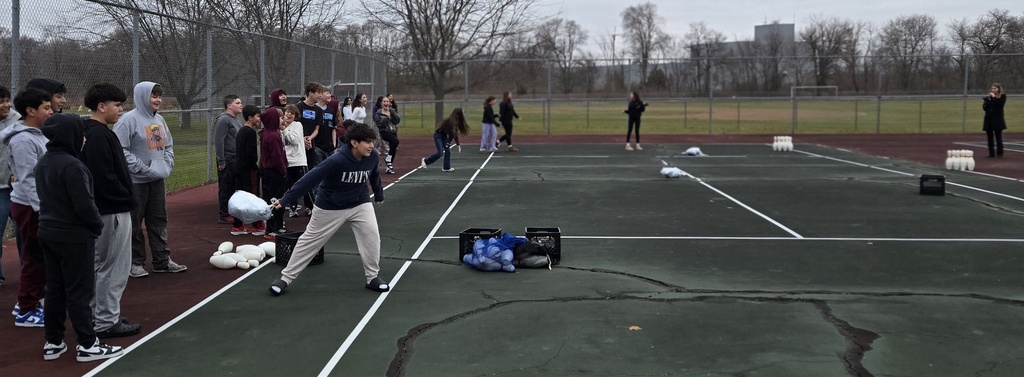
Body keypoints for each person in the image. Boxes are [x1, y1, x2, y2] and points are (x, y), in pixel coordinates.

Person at [35, 113, 125, 362]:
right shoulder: (73, 166)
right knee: (80, 291)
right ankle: (87, 343)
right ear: (70, 136)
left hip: (48, 232)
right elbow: (84, 204)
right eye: (80, 133)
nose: (84, 139)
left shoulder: (44, 162)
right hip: (74, 236)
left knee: (55, 289)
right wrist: (95, 225)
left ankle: (53, 341)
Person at [268, 122, 389, 296]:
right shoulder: (337, 160)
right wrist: (287, 198)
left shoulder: (373, 156)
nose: (372, 145)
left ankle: (372, 277)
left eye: (372, 141)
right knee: (310, 241)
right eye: (367, 142)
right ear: (354, 143)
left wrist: (379, 194)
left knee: (372, 236)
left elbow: (374, 176)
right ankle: (285, 278)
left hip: (359, 203)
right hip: (330, 205)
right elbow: (310, 179)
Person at [80, 83, 141, 338]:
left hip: (102, 210)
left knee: (100, 265)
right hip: (111, 211)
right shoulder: (99, 135)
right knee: (113, 267)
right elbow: (103, 177)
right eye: (117, 105)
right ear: (101, 106)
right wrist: (126, 196)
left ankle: (99, 315)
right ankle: (105, 321)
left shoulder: (91, 132)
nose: (121, 109)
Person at [114, 81, 185, 277]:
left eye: (159, 96)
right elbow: (121, 150)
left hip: (157, 181)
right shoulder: (127, 120)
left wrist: (166, 164)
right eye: (153, 96)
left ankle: (162, 260)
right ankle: (135, 263)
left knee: (159, 221)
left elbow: (168, 145)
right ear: (143, 97)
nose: (158, 100)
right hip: (136, 183)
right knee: (135, 223)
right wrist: (143, 169)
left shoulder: (160, 120)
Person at [2, 87, 53, 327]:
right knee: (33, 257)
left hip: (39, 205)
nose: (51, 111)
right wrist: (42, 211)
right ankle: (26, 309)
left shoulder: (37, 133)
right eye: (46, 108)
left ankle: (30, 300)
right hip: (30, 207)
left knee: (40, 257)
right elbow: (29, 178)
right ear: (30, 111)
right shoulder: (23, 140)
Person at [0, 86, 24, 289]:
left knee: (24, 231)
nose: (6, 105)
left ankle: (29, 272)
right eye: (1, 101)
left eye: (7, 100)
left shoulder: (17, 120)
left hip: (16, 186)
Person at [231, 104, 267, 236]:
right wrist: (255, 168)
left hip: (239, 168)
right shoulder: (251, 132)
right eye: (257, 116)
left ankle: (238, 225)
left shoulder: (241, 130)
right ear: (250, 117)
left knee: (240, 196)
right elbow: (251, 153)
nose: (259, 119)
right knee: (252, 196)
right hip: (247, 169)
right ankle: (257, 224)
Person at [259, 108, 289, 239]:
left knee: (276, 198)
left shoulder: (272, 133)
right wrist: (283, 170)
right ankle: (272, 228)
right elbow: (276, 157)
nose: (282, 120)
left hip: (271, 171)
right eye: (280, 117)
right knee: (274, 200)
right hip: (274, 172)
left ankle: (278, 226)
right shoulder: (272, 135)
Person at [214, 95, 242, 224]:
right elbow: (219, 141)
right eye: (237, 103)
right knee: (226, 186)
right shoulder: (224, 120)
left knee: (234, 186)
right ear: (229, 105)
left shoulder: (236, 120)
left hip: (236, 157)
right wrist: (221, 160)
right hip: (228, 157)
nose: (240, 105)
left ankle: (232, 211)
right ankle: (224, 214)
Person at [282, 105, 310, 218]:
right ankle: (292, 209)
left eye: (292, 114)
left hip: (298, 162)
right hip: (287, 162)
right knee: (290, 187)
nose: (289, 115)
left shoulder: (297, 125)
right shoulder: (280, 127)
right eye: (287, 112)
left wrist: (284, 130)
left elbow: (293, 140)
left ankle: (313, 208)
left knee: (305, 186)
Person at [373, 96, 401, 174]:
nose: (385, 103)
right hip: (384, 131)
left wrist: (392, 113)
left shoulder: (392, 111)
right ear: (381, 103)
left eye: (387, 101)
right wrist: (387, 118)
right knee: (396, 141)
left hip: (393, 131)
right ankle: (388, 159)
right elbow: (379, 124)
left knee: (393, 147)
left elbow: (397, 121)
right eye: (384, 101)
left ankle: (389, 167)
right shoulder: (379, 113)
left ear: (389, 103)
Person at [983, 83, 1007, 158]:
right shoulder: (989, 97)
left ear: (999, 89)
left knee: (998, 136)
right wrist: (986, 101)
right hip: (989, 118)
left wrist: (994, 98)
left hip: (997, 119)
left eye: (995, 88)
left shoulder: (1002, 96)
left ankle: (1000, 153)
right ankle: (991, 153)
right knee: (989, 137)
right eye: (992, 88)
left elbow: (999, 105)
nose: (993, 90)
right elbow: (985, 108)